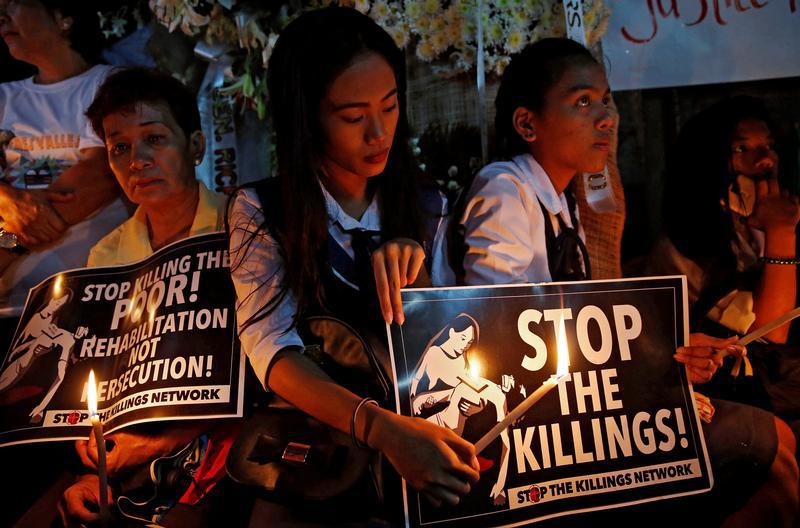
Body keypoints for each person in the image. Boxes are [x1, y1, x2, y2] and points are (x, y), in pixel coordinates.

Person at [459, 39, 798, 526]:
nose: (606, 118)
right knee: (764, 444)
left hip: (573, 406)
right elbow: (505, 333)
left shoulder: (564, 203)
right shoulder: (505, 191)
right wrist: (651, 369)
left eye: (606, 100)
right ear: (527, 123)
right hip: (532, 432)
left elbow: (583, 325)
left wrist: (673, 352)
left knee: (778, 445)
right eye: (582, 102)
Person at [227, 7, 476, 524]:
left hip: (424, 448)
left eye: (390, 106)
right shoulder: (262, 210)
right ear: (306, 117)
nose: (378, 133)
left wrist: (418, 282)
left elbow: (456, 333)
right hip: (318, 460)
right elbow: (272, 352)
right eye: (352, 116)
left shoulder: (428, 205)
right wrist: (382, 430)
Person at [58, 68, 248, 527]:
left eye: (155, 139)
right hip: (136, 463)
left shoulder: (242, 229)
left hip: (231, 452)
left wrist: (156, 445)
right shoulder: (107, 255)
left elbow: (259, 381)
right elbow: (102, 382)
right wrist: (96, 468)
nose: (137, 161)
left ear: (196, 146)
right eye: (119, 148)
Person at [647, 97, 800, 410]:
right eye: (742, 149)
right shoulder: (687, 246)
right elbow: (771, 334)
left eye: (769, 146)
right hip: (735, 391)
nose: (765, 160)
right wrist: (781, 233)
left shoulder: (772, 223)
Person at [0, 0, 127, 328]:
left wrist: (7, 244)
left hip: (87, 299)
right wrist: (7, 197)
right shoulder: (5, 97)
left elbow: (96, 179)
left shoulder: (107, 84)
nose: (2, 16)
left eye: (14, 4)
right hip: (9, 304)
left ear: (63, 18)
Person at [409, 313, 515, 505]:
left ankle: (499, 482)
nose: (465, 345)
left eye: (469, 342)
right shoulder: (434, 354)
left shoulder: (463, 360)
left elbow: (472, 388)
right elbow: (415, 395)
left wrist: (494, 392)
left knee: (497, 398)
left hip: (462, 423)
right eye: (463, 338)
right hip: (433, 421)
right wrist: (442, 397)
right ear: (451, 332)